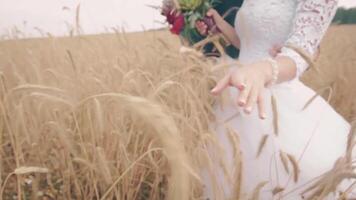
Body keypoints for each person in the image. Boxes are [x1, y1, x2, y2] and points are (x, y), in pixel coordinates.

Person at [194, 0, 353, 199]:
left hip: (274, 98)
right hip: (236, 95)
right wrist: (219, 24)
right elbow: (247, 43)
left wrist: (262, 70)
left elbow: (302, 51)